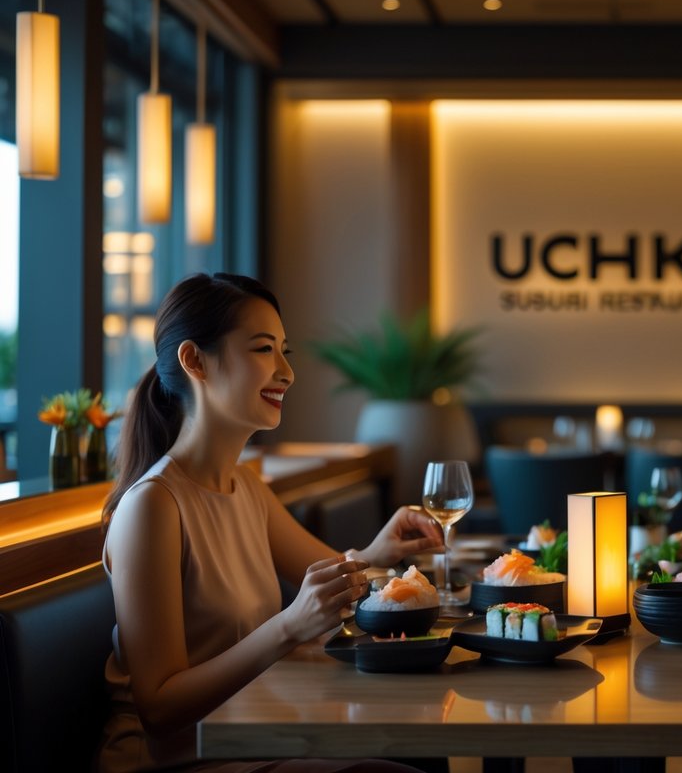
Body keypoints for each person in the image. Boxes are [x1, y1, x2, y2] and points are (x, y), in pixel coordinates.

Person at [98, 273, 445, 773]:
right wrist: (288, 626)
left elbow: (330, 582)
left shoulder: (246, 487)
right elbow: (159, 708)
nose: (286, 372)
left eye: (285, 351)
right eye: (263, 350)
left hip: (252, 735)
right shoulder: (152, 506)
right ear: (194, 361)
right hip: (178, 760)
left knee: (425, 748)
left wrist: (377, 554)